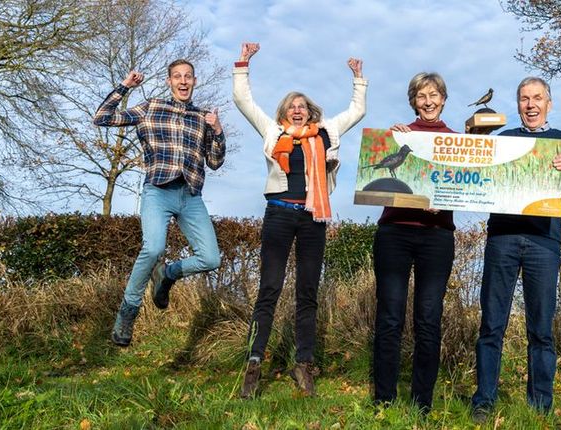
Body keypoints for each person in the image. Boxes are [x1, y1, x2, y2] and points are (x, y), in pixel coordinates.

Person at [231, 43, 367, 398]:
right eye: (291, 106)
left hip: (313, 219)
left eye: (302, 106)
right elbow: (243, 101)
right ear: (283, 113)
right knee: (270, 289)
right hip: (278, 215)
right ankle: (254, 361)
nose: (297, 110)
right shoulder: (273, 133)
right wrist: (243, 63)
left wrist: (358, 78)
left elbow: (357, 110)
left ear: (309, 112)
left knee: (307, 292)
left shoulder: (326, 132)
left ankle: (303, 364)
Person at [470, 77, 561, 421]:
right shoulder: (504, 140)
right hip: (502, 239)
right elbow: (476, 178)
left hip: (545, 243)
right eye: (525, 99)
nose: (531, 104)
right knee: (492, 324)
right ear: (518, 105)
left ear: (549, 104)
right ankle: (484, 400)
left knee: (541, 329)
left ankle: (540, 405)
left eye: (537, 98)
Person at [94, 59, 225, 348]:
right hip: (158, 190)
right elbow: (102, 118)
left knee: (211, 258)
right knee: (153, 247)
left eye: (188, 76)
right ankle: (127, 314)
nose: (183, 81)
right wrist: (124, 87)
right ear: (169, 81)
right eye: (177, 76)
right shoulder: (151, 107)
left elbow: (215, 162)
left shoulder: (203, 117)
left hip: (190, 195)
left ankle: (167, 274)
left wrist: (217, 131)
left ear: (194, 81)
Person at [370, 72, 456, 413]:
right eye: (422, 96)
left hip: (437, 236)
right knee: (390, 317)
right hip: (395, 233)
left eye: (434, 94)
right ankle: (384, 399)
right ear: (413, 101)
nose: (429, 101)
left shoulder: (456, 140)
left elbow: (466, 187)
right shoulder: (398, 136)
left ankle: (422, 402)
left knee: (428, 319)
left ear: (444, 99)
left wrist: (444, 199)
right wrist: (389, 138)